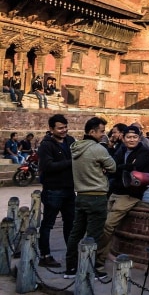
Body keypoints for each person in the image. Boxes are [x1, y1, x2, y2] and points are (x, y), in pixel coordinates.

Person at [96, 124, 149, 274]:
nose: (132, 140)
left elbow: (134, 167)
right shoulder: (121, 149)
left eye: (135, 137)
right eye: (129, 137)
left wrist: (119, 167)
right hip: (116, 191)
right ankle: (98, 257)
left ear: (139, 138)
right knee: (105, 225)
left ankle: (98, 259)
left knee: (108, 226)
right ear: (124, 137)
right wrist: (123, 167)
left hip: (131, 195)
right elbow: (113, 166)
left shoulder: (143, 151)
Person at [64, 117, 116, 280]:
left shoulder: (75, 147)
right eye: (101, 131)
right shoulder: (97, 149)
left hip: (81, 196)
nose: (103, 134)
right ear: (92, 132)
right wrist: (102, 168)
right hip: (97, 197)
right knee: (94, 236)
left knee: (76, 233)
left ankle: (71, 268)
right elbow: (113, 167)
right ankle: (90, 269)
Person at [37, 114, 76, 268]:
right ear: (51, 129)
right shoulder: (46, 145)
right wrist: (70, 163)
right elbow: (48, 166)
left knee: (70, 223)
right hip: (53, 189)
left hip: (69, 189)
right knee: (48, 224)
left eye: (65, 127)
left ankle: (71, 254)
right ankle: (45, 255)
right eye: (60, 128)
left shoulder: (70, 141)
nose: (64, 130)